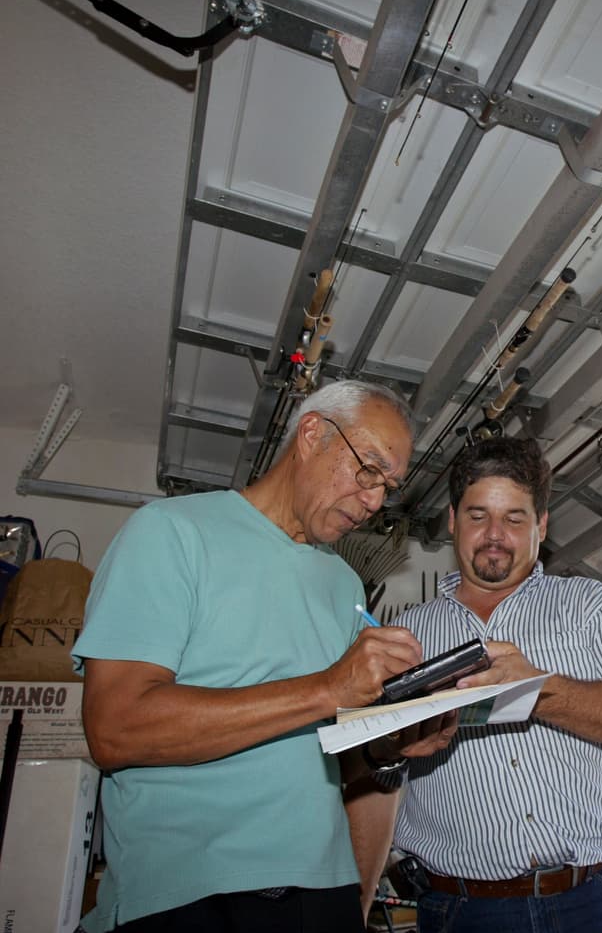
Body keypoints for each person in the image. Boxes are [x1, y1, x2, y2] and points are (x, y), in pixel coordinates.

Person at [72, 379, 450, 933]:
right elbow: (115, 728)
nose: (373, 501)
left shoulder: (344, 582)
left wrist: (387, 745)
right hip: (192, 895)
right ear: (313, 433)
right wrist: (328, 688)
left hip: (324, 893)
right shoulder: (172, 532)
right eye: (367, 469)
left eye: (387, 487)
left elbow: (325, 755)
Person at [346, 435, 602, 933]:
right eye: (478, 515)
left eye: (515, 518)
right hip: (466, 912)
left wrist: (539, 690)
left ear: (541, 526)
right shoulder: (405, 638)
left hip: (601, 899)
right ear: (453, 521)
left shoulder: (588, 605)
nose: (494, 535)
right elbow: (372, 775)